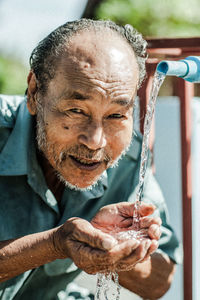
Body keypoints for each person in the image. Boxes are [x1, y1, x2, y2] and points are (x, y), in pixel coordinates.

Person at [0, 19, 182, 300]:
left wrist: (112, 248)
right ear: (35, 92)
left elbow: (159, 281)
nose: (96, 141)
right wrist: (56, 244)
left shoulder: (129, 158)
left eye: (116, 115)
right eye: (76, 110)